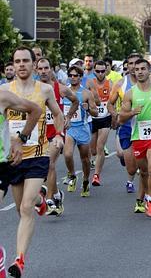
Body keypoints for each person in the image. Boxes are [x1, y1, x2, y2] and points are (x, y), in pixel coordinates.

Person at [0, 47, 65, 277]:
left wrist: (59, 135)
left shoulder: (45, 89)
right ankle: (41, 200)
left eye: (25, 60)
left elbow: (57, 114)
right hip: (13, 158)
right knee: (21, 208)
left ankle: (19, 261)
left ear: (33, 63)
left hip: (38, 154)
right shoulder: (5, 91)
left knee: (26, 207)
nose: (21, 65)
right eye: (17, 61)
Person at [118, 59, 151, 216]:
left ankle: (150, 200)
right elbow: (121, 119)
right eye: (137, 69)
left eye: (143, 68)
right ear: (134, 72)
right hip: (138, 137)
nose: (140, 71)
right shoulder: (130, 93)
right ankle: (148, 195)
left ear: (149, 70)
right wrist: (131, 113)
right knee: (143, 172)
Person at [36, 57, 79, 216]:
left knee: (49, 163)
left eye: (46, 68)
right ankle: (56, 195)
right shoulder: (34, 89)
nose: (43, 72)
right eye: (40, 69)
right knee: (44, 167)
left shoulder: (60, 88)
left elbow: (75, 101)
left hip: (56, 133)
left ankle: (49, 201)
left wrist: (67, 117)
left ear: (51, 69)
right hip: (39, 134)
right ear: (36, 70)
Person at [62, 65, 98, 197]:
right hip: (69, 128)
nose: (72, 78)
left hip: (82, 128)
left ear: (80, 77)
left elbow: (95, 112)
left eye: (75, 75)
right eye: (70, 75)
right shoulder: (64, 91)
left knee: (85, 159)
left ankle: (85, 181)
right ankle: (72, 175)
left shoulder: (86, 93)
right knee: (67, 154)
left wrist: (88, 108)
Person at [108, 53, 141, 193]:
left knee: (144, 163)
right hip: (126, 125)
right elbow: (110, 103)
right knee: (124, 157)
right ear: (127, 65)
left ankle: (135, 185)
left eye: (136, 63)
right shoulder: (121, 83)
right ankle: (129, 164)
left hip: (143, 127)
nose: (134, 67)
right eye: (131, 64)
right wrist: (115, 115)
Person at [86, 61, 113, 186]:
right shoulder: (89, 83)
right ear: (94, 71)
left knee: (100, 147)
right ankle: (94, 162)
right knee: (93, 150)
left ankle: (96, 175)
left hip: (105, 119)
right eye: (98, 71)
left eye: (103, 71)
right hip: (92, 119)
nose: (101, 74)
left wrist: (114, 116)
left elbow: (113, 103)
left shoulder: (110, 84)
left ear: (106, 71)